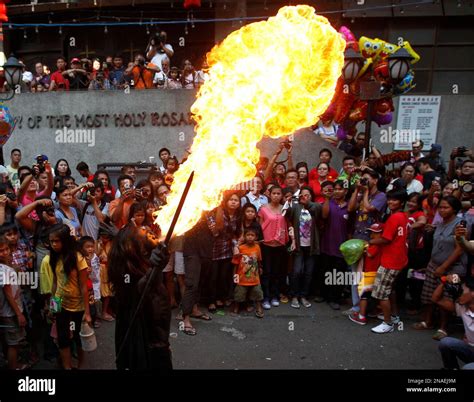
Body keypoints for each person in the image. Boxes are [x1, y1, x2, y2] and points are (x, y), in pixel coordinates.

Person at [108, 224, 172, 370]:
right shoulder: (126, 275)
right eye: (142, 230)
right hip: (144, 348)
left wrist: (156, 266)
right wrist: (155, 270)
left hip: (159, 340)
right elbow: (140, 289)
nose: (148, 230)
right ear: (131, 246)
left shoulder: (145, 264)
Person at [415, 196, 468, 340]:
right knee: (428, 295)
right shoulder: (440, 223)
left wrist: (444, 267)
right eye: (440, 207)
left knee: (446, 297)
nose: (442, 210)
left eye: (446, 207)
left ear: (455, 209)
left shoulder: (460, 225)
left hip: (453, 268)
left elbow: (459, 250)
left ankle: (443, 328)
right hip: (434, 264)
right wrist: (431, 264)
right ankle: (428, 321)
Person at [39, 224, 92, 369]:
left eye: (57, 241)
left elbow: (83, 286)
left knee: (77, 338)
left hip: (78, 307)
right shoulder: (54, 257)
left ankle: (81, 365)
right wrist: (53, 307)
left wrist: (87, 313)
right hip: (61, 305)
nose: (54, 244)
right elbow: (56, 284)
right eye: (52, 241)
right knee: (63, 339)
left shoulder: (77, 257)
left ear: (65, 240)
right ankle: (67, 367)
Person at [345, 170, 387, 316]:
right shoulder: (361, 194)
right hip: (357, 239)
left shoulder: (381, 196)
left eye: (367, 179)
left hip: (372, 240)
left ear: (375, 180)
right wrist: (357, 190)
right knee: (355, 274)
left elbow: (369, 208)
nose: (364, 181)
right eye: (362, 179)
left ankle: (370, 308)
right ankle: (357, 306)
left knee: (369, 275)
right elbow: (350, 208)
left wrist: (367, 191)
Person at [369, 190, 409, 334]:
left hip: (390, 261)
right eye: (390, 199)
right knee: (389, 289)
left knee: (381, 293)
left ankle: (387, 323)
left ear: (402, 202)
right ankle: (394, 315)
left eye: (395, 200)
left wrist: (370, 241)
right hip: (399, 259)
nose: (391, 202)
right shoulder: (403, 216)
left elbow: (385, 239)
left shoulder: (394, 218)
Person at [286, 187, 321, 309]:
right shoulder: (296, 207)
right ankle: (294, 295)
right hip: (299, 246)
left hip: (311, 246)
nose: (304, 197)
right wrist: (289, 202)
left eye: (307, 195)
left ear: (311, 196)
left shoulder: (316, 206)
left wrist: (308, 203)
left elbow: (316, 210)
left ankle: (304, 296)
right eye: (302, 195)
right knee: (296, 272)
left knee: (308, 273)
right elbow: (286, 215)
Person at [180, 212, 215, 336]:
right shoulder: (191, 205)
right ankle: (185, 318)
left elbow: (217, 229)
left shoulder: (210, 209)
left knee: (201, 281)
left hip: (206, 248)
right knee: (191, 284)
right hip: (192, 249)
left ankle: (194, 309)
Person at [258, 185, 292, 309]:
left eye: (278, 194)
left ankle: (275, 296)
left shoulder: (285, 209)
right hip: (266, 244)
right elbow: (260, 226)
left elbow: (288, 225)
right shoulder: (263, 209)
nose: (276, 196)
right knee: (266, 272)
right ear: (269, 194)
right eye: (274, 193)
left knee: (277, 272)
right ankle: (265, 297)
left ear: (282, 196)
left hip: (280, 245)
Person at [208, 192, 241, 311]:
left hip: (228, 250)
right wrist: (219, 213)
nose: (233, 202)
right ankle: (211, 300)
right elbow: (215, 232)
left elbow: (235, 234)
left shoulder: (238, 216)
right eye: (231, 199)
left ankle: (219, 298)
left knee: (224, 277)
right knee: (213, 277)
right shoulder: (215, 212)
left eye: (236, 200)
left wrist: (235, 246)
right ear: (226, 201)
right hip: (214, 249)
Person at [433, 275, 474, 369]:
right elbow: (436, 299)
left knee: (467, 368)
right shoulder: (462, 307)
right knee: (445, 343)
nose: (458, 294)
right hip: (470, 349)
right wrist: (444, 281)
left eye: (462, 291)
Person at [321, 180, 350, 310]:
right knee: (326, 271)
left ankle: (335, 298)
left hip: (342, 246)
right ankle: (325, 296)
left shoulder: (349, 206)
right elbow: (324, 215)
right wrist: (327, 198)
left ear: (346, 191)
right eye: (335, 189)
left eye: (340, 189)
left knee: (339, 274)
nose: (337, 191)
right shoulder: (329, 203)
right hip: (327, 244)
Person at [0, 236, 28, 370]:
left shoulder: (7, 267)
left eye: (7, 249)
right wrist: (18, 314)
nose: (5, 253)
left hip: (11, 311)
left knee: (12, 342)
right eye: (1, 251)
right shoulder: (3, 270)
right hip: (10, 313)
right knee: (13, 343)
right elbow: (8, 294)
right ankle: (13, 367)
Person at [348, 223, 384, 325]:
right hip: (377, 272)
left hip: (370, 273)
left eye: (375, 233)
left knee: (364, 295)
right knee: (372, 295)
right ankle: (373, 311)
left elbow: (369, 254)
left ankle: (361, 316)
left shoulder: (376, 245)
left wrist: (364, 248)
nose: (372, 234)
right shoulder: (381, 244)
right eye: (371, 232)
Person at [232, 227, 264, 318]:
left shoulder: (257, 247)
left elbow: (259, 260)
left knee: (258, 293)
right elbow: (235, 263)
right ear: (244, 237)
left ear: (256, 237)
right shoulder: (240, 248)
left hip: (255, 278)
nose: (250, 237)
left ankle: (259, 307)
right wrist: (235, 275)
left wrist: (260, 267)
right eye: (248, 235)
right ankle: (236, 307)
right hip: (242, 278)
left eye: (252, 235)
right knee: (239, 294)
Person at [96, 223, 116, 322]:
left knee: (108, 293)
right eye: (103, 237)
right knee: (99, 294)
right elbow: (95, 255)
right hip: (99, 270)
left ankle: (105, 311)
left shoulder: (111, 244)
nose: (104, 239)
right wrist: (100, 245)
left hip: (109, 269)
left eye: (106, 237)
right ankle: (99, 314)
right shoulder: (97, 244)